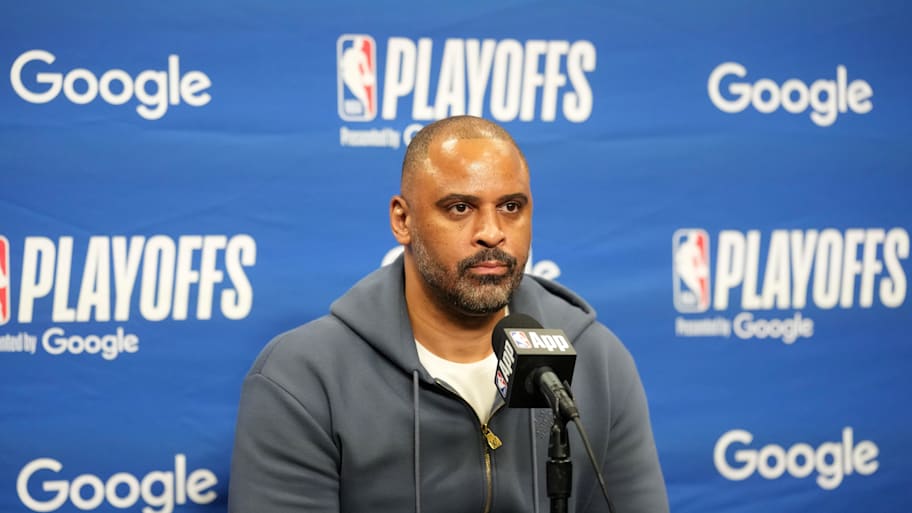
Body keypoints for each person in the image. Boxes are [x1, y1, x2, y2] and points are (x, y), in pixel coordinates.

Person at [228, 115, 669, 513]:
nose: (492, 233)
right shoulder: (303, 378)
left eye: (511, 207)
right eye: (460, 208)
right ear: (403, 220)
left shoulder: (595, 358)